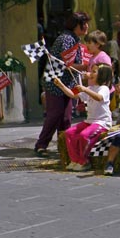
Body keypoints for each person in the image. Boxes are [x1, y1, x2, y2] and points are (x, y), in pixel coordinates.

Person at [34, 11, 90, 156]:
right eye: (84, 24)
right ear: (77, 25)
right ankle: (41, 145)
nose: (87, 26)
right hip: (55, 82)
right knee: (55, 114)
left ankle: (63, 146)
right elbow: (67, 64)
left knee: (66, 117)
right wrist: (85, 67)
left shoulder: (74, 39)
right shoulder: (66, 38)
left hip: (67, 83)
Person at [54, 64, 113, 171]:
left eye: (94, 71)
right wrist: (61, 85)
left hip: (102, 122)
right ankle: (75, 160)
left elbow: (99, 97)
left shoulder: (103, 88)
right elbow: (73, 94)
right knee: (69, 133)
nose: (90, 73)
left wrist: (85, 89)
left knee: (84, 135)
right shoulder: (90, 88)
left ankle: (84, 161)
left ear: (102, 75)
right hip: (90, 121)